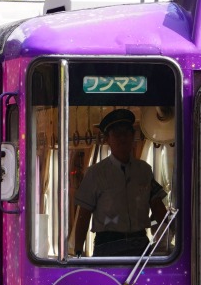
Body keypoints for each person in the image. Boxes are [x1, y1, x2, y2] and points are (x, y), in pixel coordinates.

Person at [72, 109, 168, 257]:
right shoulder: (95, 173)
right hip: (108, 245)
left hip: (139, 245)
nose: (122, 138)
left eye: (127, 133)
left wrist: (167, 238)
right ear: (107, 140)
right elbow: (84, 214)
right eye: (117, 134)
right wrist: (78, 250)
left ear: (133, 136)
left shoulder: (144, 170)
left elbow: (157, 205)